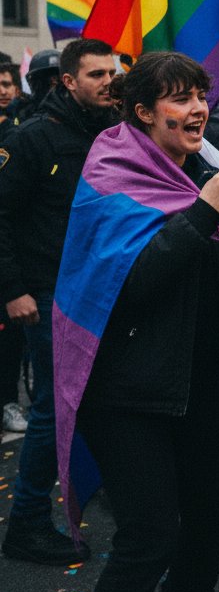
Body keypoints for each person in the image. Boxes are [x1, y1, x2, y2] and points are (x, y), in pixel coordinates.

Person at [51, 51, 219, 592]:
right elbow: (127, 284)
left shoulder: (198, 173)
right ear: (143, 112)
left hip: (192, 384)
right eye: (181, 99)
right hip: (125, 390)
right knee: (148, 536)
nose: (198, 109)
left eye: (200, 96)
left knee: (216, 512)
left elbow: (218, 272)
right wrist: (201, 215)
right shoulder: (111, 172)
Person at [0, 38, 118, 565]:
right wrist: (13, 290)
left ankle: (101, 499)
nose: (108, 82)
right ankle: (26, 523)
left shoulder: (113, 135)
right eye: (96, 74)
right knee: (52, 411)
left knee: (94, 404)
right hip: (48, 294)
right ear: (68, 81)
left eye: (112, 73)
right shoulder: (32, 140)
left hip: (97, 291)